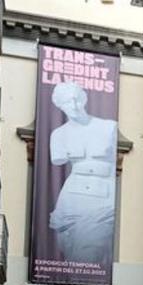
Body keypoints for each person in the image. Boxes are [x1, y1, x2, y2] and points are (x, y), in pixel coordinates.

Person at [47, 80, 118, 265]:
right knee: (71, 252)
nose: (74, 105)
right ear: (60, 106)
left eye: (77, 99)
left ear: (84, 99)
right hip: (73, 197)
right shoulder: (58, 135)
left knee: (89, 254)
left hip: (103, 195)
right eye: (68, 102)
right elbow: (58, 159)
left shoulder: (109, 127)